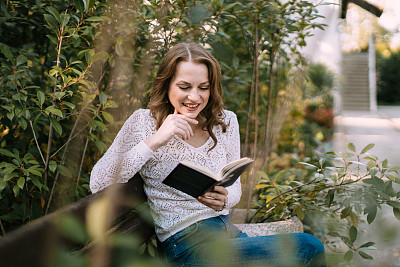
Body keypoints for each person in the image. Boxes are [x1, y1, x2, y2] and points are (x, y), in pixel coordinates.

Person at [90, 43, 326, 266]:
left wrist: (224, 197)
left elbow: (235, 190)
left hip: (226, 233)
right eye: (184, 87)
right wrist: (156, 140)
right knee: (308, 247)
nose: (194, 97)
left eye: (203, 88)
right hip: (187, 245)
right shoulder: (143, 123)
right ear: (166, 84)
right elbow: (98, 181)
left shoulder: (225, 122)